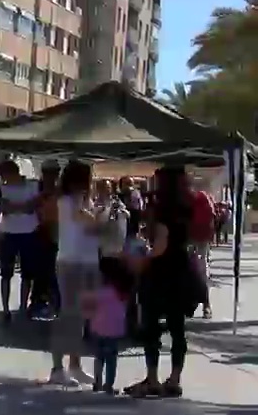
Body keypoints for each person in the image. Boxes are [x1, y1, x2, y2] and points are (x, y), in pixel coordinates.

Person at [126, 166, 196, 398]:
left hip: (161, 273)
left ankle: (153, 378)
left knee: (152, 327)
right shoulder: (187, 207)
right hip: (181, 270)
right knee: (178, 328)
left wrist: (142, 258)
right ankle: (175, 378)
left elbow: (161, 244)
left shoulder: (162, 208)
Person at [47, 160, 103, 386]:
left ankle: (75, 365)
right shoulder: (67, 201)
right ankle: (57, 368)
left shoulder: (85, 201)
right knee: (68, 315)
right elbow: (89, 222)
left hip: (88, 261)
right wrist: (101, 217)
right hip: (70, 262)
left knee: (80, 316)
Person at [0, 158, 39, 324]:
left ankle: (22, 306)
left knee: (27, 273)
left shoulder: (32, 186)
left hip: (29, 232)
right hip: (8, 233)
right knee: (6, 273)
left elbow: (32, 206)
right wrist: (21, 207)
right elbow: (3, 209)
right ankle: (6, 309)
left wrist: (14, 207)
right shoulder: (2, 189)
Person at [82, 257, 133, 394]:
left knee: (99, 357)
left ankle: (97, 382)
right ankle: (109, 384)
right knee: (111, 359)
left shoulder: (98, 292)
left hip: (97, 328)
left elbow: (87, 308)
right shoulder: (122, 293)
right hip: (115, 330)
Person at [29, 160, 61, 320]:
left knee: (52, 272)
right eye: (48, 172)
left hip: (55, 234)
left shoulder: (59, 191)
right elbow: (31, 206)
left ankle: (53, 303)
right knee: (40, 271)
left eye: (53, 172)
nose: (50, 176)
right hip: (41, 232)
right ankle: (37, 302)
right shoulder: (38, 189)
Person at [187, 178, 216, 319]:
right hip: (195, 239)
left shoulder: (200, 199)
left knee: (201, 272)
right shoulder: (202, 198)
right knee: (199, 271)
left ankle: (206, 304)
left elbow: (210, 219)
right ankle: (204, 305)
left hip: (197, 240)